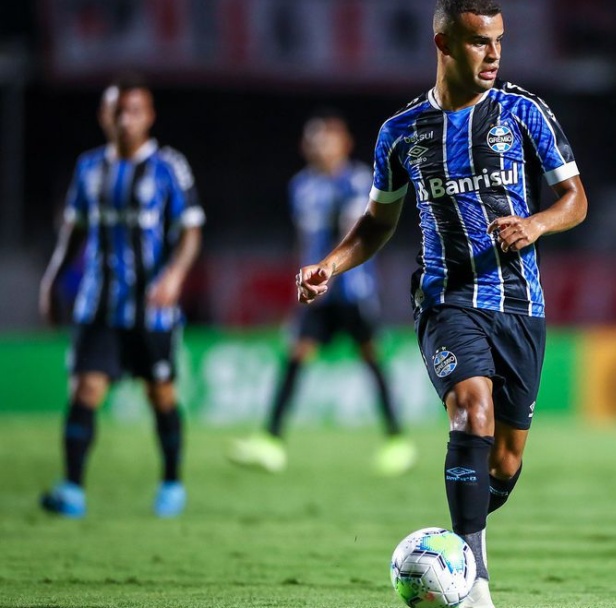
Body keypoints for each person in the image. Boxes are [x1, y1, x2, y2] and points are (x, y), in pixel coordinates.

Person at [297, 1, 586, 605]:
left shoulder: (523, 113)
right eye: (480, 42)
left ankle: (463, 533)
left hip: (520, 306)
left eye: (499, 41)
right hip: (445, 301)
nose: (494, 54)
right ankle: (474, 579)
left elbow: (574, 199)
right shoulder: (400, 133)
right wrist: (331, 264)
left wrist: (536, 224)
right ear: (445, 43)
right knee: (469, 410)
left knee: (503, 463)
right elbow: (376, 223)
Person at [38, 77, 205, 519]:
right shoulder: (89, 167)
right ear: (104, 116)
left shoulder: (169, 166)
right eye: (117, 111)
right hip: (100, 304)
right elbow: (73, 231)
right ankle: (72, 488)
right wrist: (52, 279)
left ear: (149, 116)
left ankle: (171, 482)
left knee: (161, 394)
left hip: (153, 308)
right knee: (85, 389)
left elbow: (190, 230)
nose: (125, 119)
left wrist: (173, 276)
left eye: (134, 110)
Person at [227, 111, 417, 476]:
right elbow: (304, 243)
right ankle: (270, 441)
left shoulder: (360, 181)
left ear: (344, 143)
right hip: (318, 296)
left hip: (354, 290)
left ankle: (397, 439)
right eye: (314, 139)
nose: (320, 146)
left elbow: (363, 232)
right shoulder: (301, 187)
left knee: (372, 359)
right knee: (296, 357)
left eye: (327, 139)